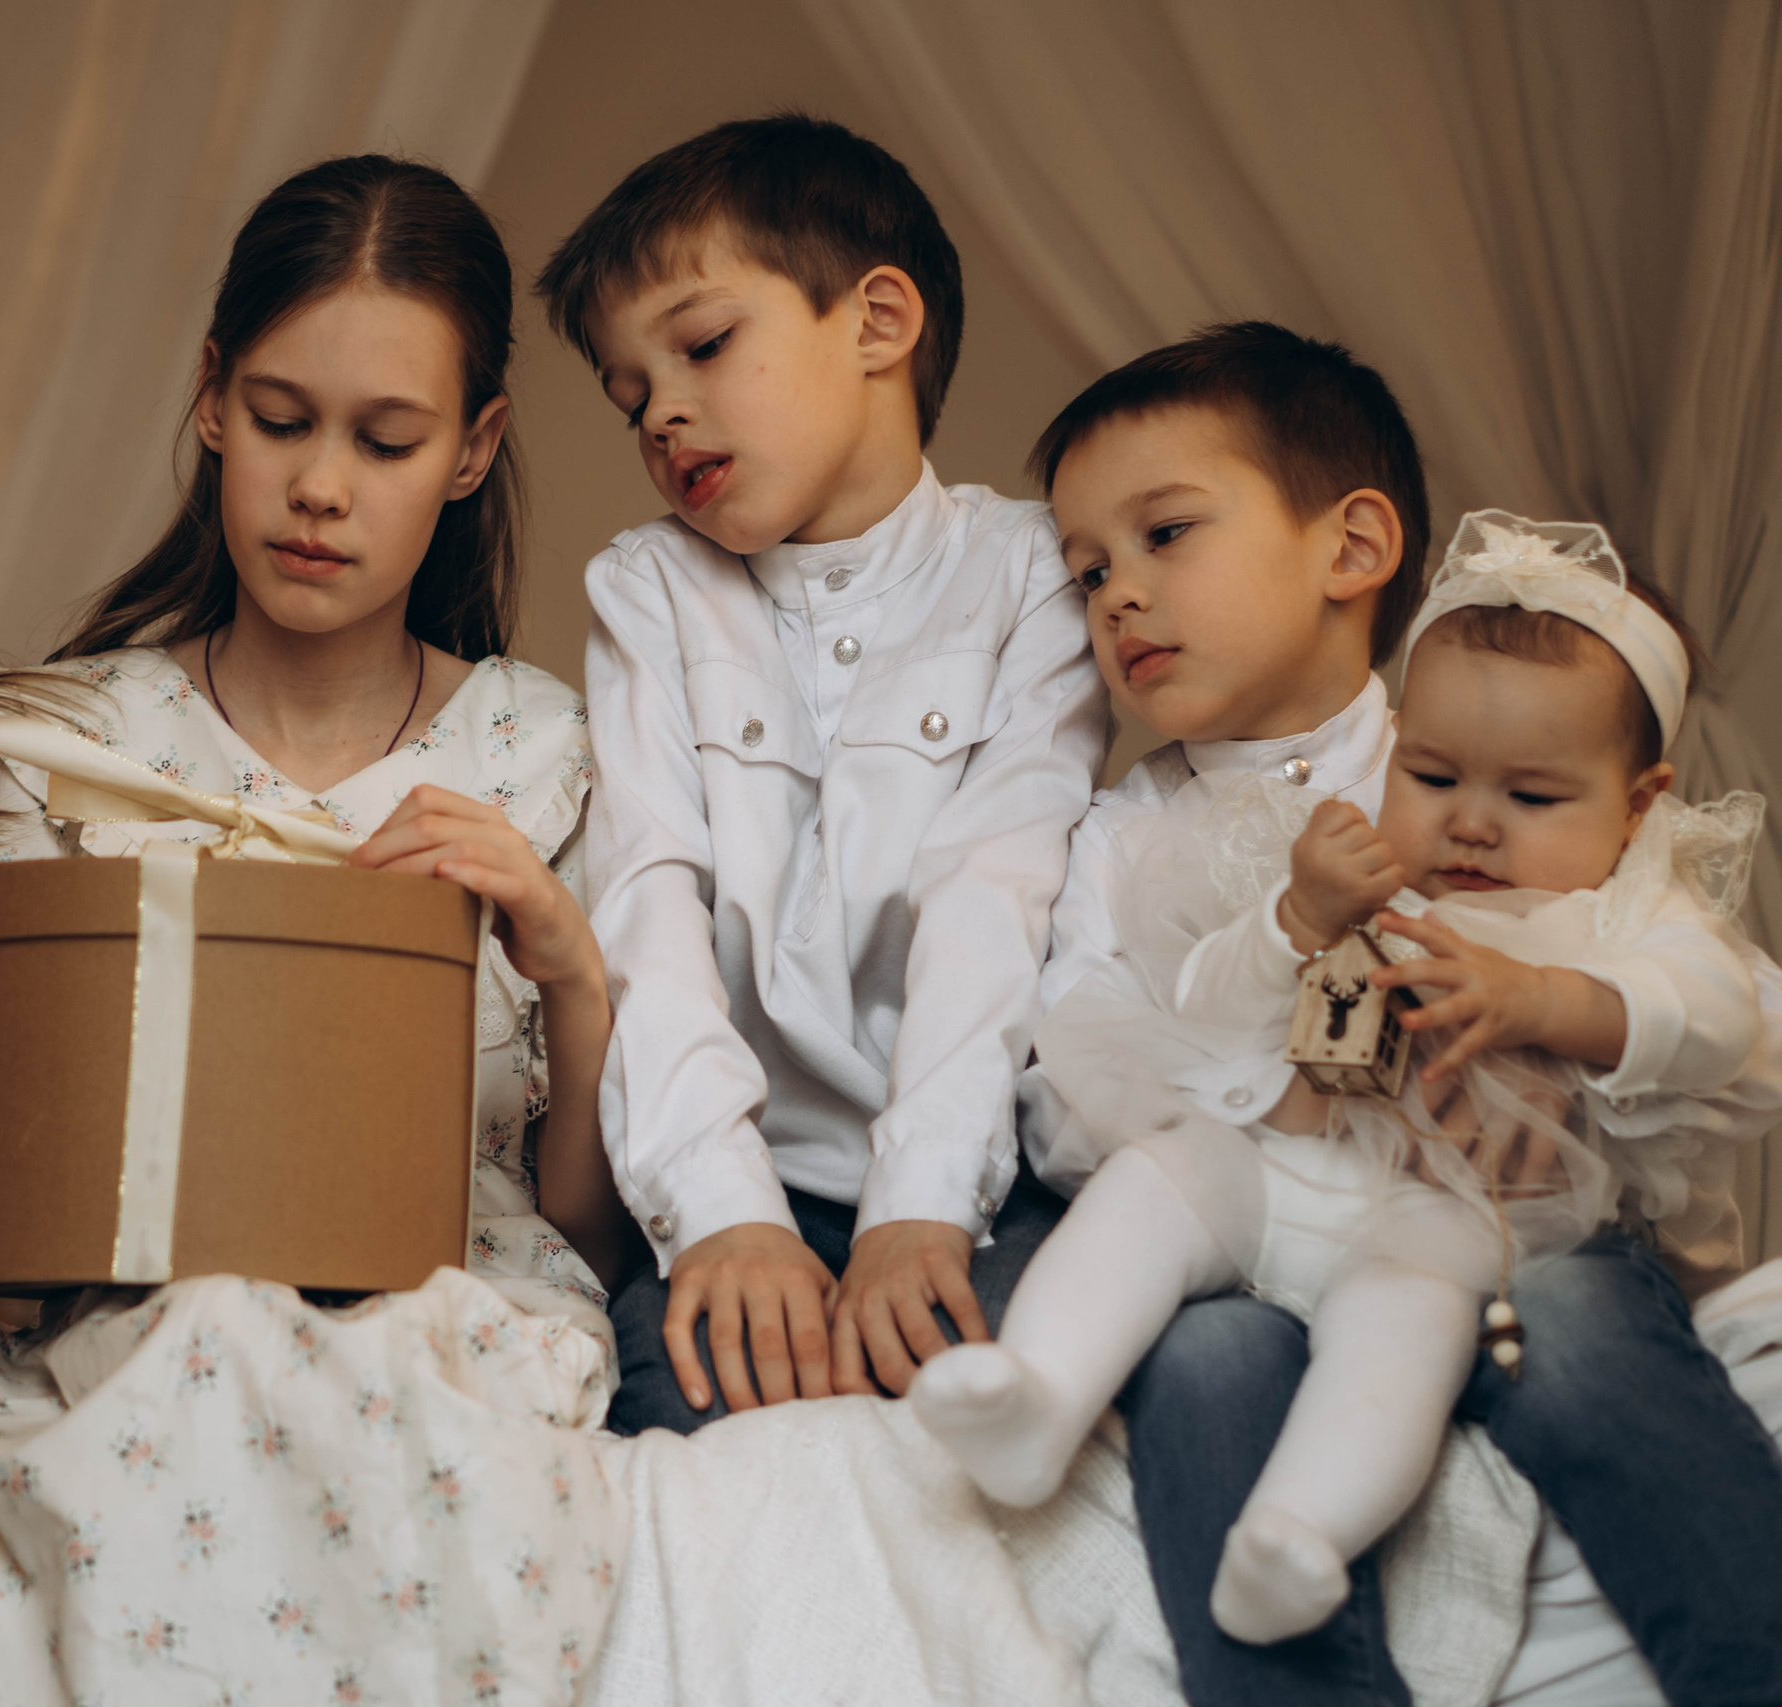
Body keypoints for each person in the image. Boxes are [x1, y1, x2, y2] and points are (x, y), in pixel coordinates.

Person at [0, 156, 635, 1698]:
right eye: (279, 419)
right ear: (206, 400)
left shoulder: (548, 754)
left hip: (451, 1326)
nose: (321, 486)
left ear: (474, 449)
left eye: (387, 440)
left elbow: (591, 1230)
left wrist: (568, 966)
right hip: (128, 1318)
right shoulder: (63, 741)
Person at [1008, 322, 1782, 1707]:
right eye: (1086, 572)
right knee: (1203, 1360)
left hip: (1497, 1231)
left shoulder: (1489, 732)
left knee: (1575, 1325)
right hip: (1264, 1234)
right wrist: (1261, 1096)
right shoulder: (1123, 837)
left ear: (1354, 549)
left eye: (1164, 535)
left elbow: (1720, 1015)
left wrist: (1565, 1056)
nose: (1117, 596)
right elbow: (1069, 1094)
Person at [532, 114, 1103, 1430]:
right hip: (738, 1175)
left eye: (704, 344)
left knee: (1005, 1427)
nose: (662, 410)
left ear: (877, 321)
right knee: (681, 1419)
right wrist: (726, 1219)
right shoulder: (650, 590)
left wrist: (920, 1210)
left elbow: (995, 897)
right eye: (629, 398)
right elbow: (646, 911)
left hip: (971, 1171)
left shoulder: (1029, 572)